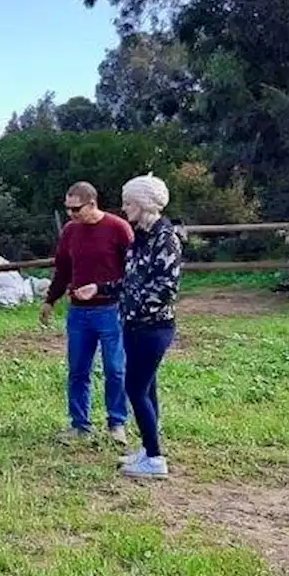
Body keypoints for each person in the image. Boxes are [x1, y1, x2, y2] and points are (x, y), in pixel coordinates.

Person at [72, 172, 183, 479]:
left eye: (129, 202)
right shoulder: (142, 238)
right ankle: (149, 450)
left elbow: (166, 289)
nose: (124, 208)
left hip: (154, 327)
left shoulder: (166, 239)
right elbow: (131, 282)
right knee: (148, 389)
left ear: (144, 203)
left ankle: (156, 460)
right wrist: (101, 288)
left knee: (134, 388)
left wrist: (132, 307)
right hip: (134, 325)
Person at [41, 181, 135, 446]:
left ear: (92, 204)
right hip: (79, 313)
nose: (71, 215)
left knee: (115, 369)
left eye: (75, 209)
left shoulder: (118, 229)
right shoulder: (70, 232)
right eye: (68, 209)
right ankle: (80, 424)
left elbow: (132, 272)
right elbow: (62, 270)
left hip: (110, 310)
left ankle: (117, 423)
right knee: (78, 370)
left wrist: (112, 294)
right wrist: (50, 300)